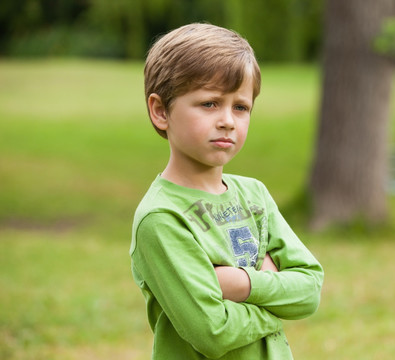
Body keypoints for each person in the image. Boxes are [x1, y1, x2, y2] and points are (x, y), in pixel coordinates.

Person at [130, 23, 324, 359]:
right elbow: (214, 331)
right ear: (160, 111)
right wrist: (276, 298)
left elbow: (309, 291)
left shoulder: (255, 195)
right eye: (209, 104)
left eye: (240, 107)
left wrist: (241, 284)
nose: (228, 121)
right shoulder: (161, 218)